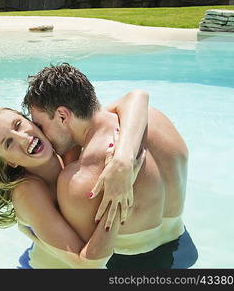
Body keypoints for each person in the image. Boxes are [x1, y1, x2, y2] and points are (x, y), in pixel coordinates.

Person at [22, 63, 198, 269]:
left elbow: (79, 257)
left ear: (62, 116)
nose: (42, 134)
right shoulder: (153, 118)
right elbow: (133, 99)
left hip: (129, 266)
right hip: (183, 250)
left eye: (41, 125)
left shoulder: (79, 178)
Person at [0, 89, 149, 268]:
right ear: (10, 162)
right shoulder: (27, 192)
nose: (23, 138)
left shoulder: (67, 144)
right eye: (8, 143)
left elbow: (137, 98)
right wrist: (120, 190)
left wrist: (124, 158)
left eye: (18, 125)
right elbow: (88, 265)